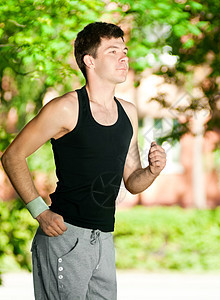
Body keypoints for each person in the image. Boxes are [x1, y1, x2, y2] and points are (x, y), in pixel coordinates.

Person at [1, 21, 167, 300]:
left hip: (103, 239)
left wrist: (152, 170)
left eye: (124, 50)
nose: (124, 57)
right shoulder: (65, 108)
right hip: (64, 236)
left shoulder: (128, 113)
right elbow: (12, 155)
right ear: (89, 60)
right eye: (113, 51)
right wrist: (39, 211)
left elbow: (133, 181)